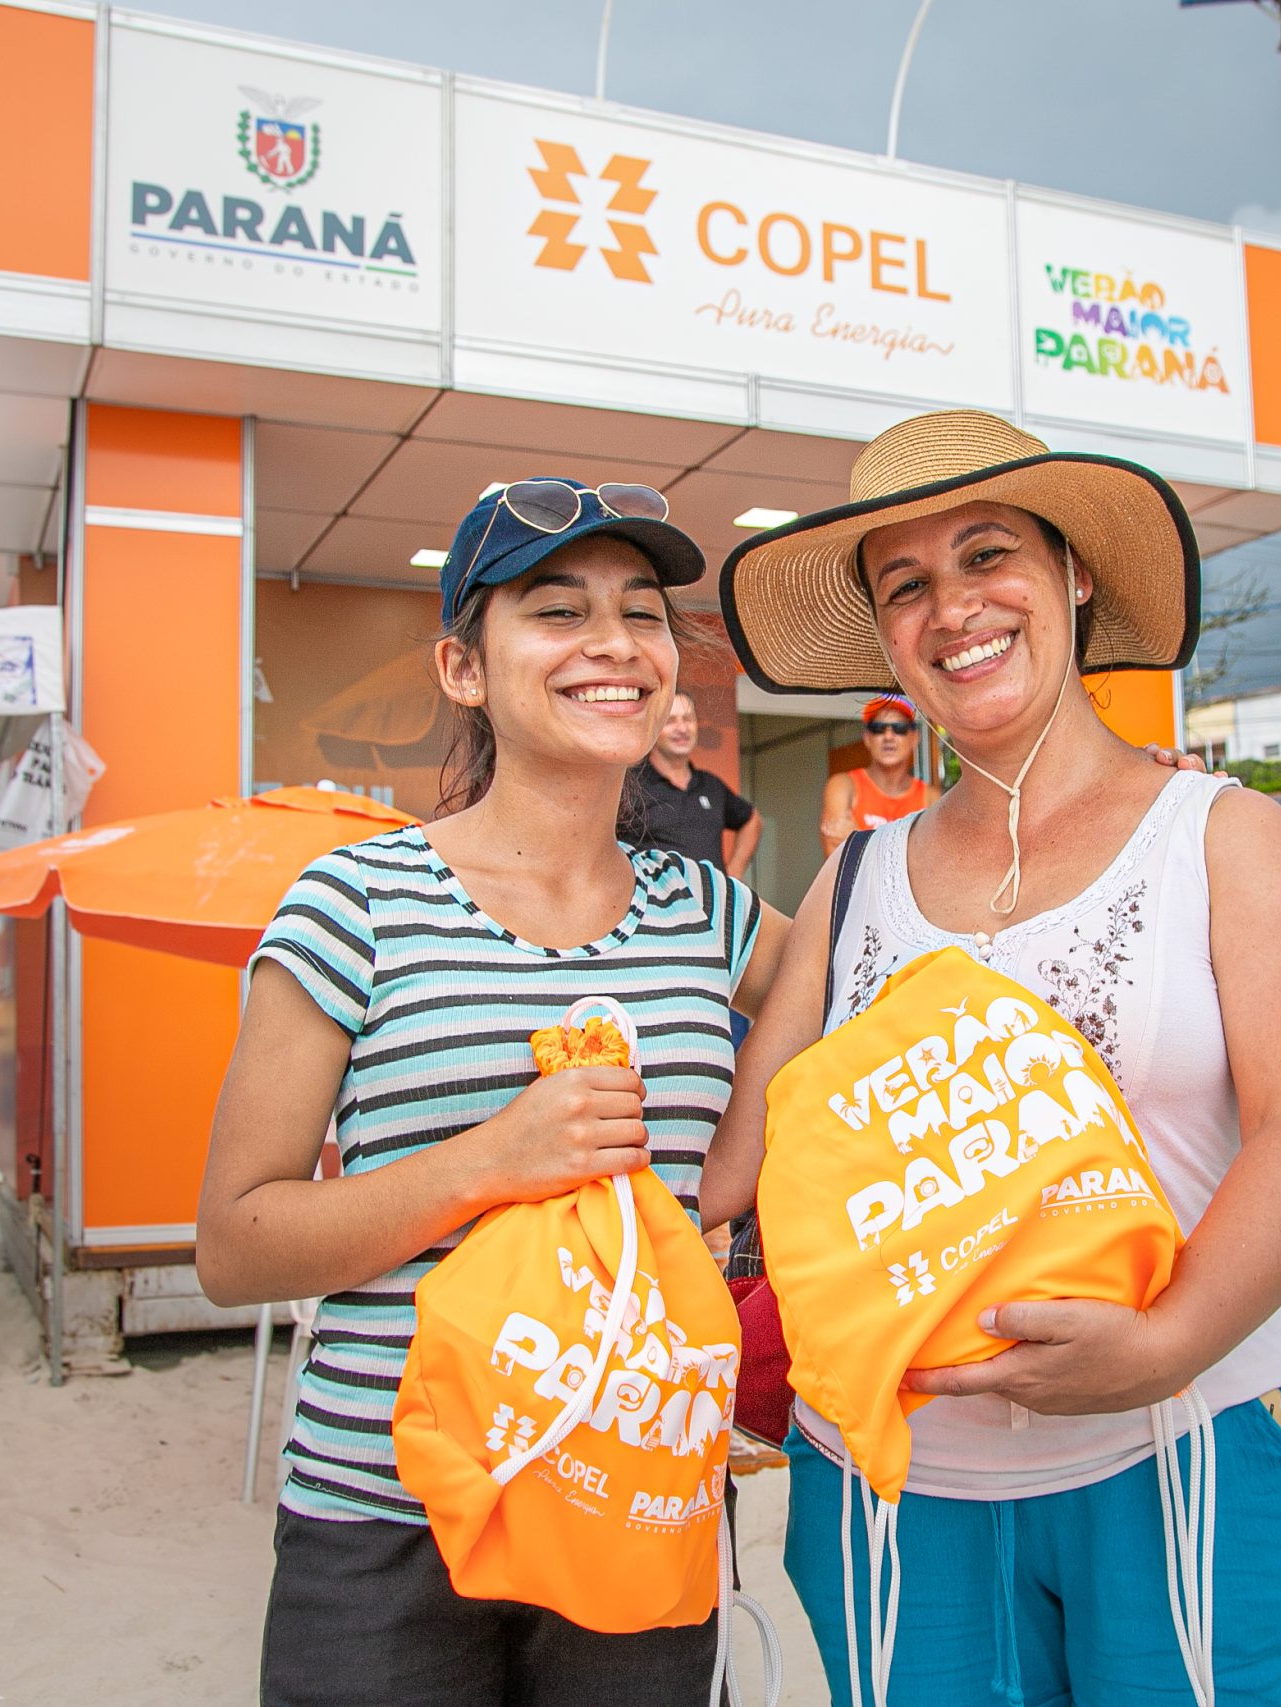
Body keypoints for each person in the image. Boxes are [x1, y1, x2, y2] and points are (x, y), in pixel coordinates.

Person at [705, 411, 1281, 1707]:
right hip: (893, 1491)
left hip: (1189, 1442)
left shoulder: (1221, 838)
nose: (954, 607)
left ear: (1073, 573)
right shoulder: (853, 878)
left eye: (989, 554)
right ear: (889, 641)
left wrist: (1164, 1341)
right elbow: (739, 1163)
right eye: (907, 585)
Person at [196, 476, 789, 1707]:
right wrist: (486, 1163)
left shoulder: (710, 915)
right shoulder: (353, 903)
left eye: (642, 613)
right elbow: (235, 1245)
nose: (615, 644)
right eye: (557, 612)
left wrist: (731, 1169)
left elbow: (852, 976)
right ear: (464, 668)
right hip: (387, 1522)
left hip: (639, 1487)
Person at [618, 689, 758, 878]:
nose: (682, 728)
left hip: (711, 906)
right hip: (653, 905)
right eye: (671, 720)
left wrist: (733, 875)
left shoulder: (711, 785)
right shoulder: (628, 785)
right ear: (653, 727)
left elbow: (752, 820)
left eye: (688, 719)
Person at [819, 694, 934, 854]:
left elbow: (934, 862)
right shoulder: (843, 785)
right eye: (878, 728)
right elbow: (839, 860)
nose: (888, 736)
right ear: (867, 738)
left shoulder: (930, 797)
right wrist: (907, 853)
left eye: (899, 728)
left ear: (914, 738)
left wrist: (858, 840)